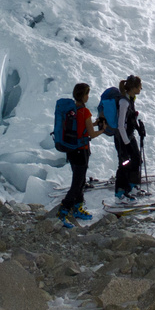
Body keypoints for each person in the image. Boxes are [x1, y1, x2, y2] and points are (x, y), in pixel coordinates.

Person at [57, 83, 99, 225]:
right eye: (87, 94)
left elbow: (82, 128)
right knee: (77, 183)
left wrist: (95, 124)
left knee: (80, 180)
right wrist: (103, 130)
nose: (88, 96)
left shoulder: (73, 110)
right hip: (82, 151)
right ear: (83, 95)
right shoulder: (85, 112)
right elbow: (91, 134)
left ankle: (77, 207)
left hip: (71, 149)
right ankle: (64, 210)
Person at [102, 75, 147, 200]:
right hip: (122, 138)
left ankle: (132, 185)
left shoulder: (130, 99)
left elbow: (130, 119)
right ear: (133, 88)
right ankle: (120, 190)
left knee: (137, 159)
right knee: (124, 163)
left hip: (129, 136)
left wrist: (138, 129)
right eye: (139, 86)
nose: (141, 88)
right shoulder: (123, 102)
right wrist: (126, 143)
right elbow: (121, 125)